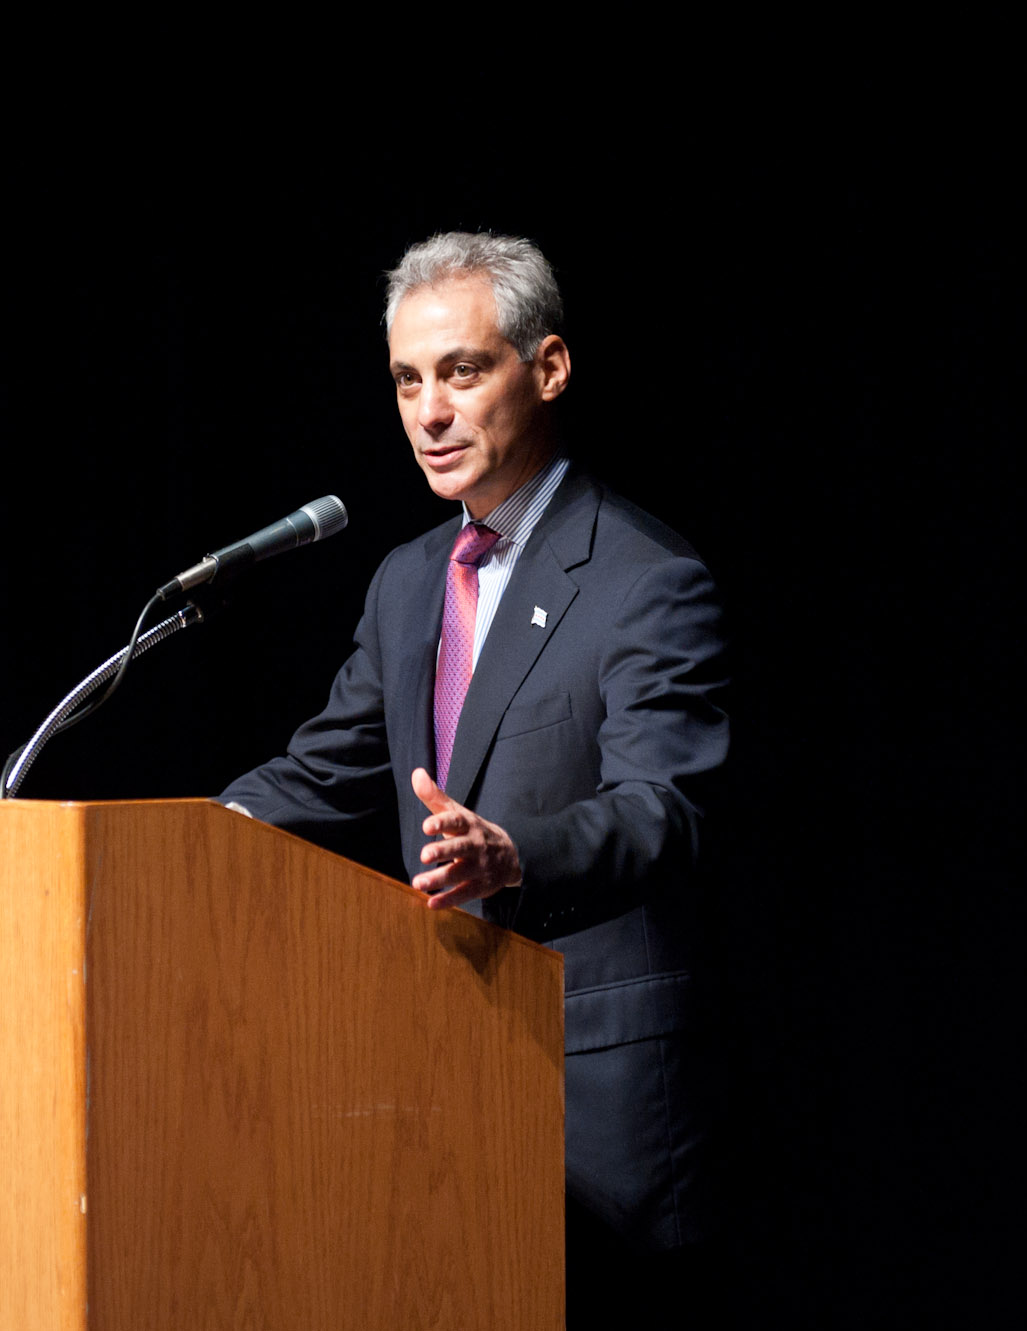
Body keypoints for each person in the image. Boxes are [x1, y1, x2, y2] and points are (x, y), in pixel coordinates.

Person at [220, 232, 729, 1287]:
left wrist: (514, 853)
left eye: (461, 370)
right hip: (437, 1075)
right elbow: (321, 772)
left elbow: (663, 807)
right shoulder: (407, 582)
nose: (428, 411)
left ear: (546, 368)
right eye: (407, 380)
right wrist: (182, 834)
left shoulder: (646, 578)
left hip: (592, 1105)